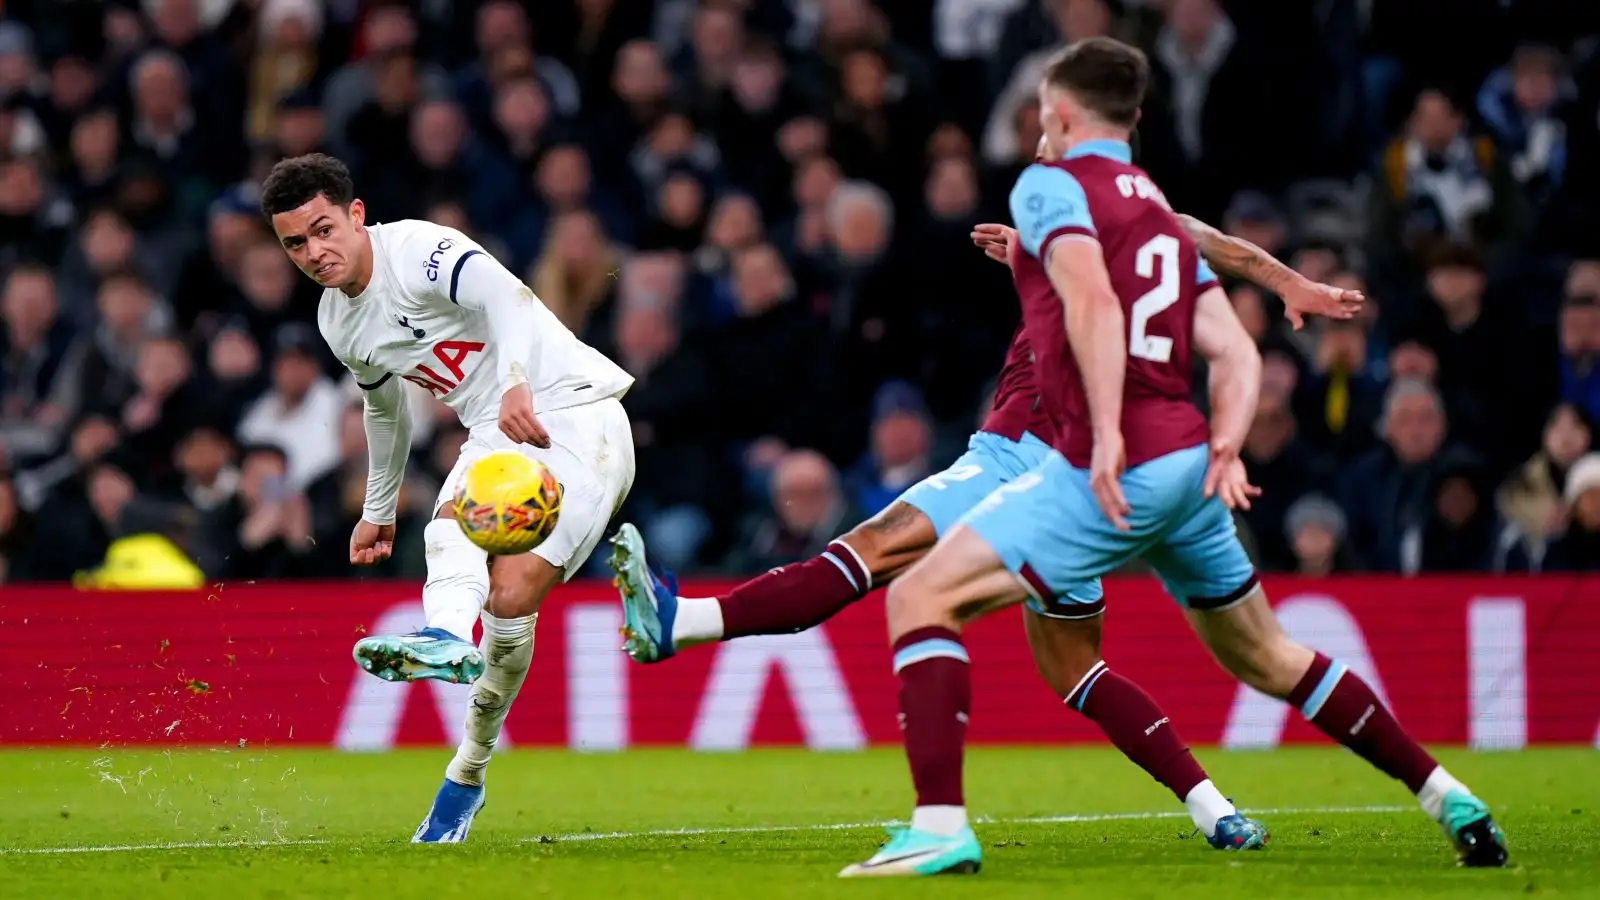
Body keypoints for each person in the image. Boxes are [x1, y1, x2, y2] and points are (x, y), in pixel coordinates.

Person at [837, 38, 1507, 877]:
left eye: (1045, 109)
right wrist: (1235, 418)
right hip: (1187, 465)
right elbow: (1234, 351)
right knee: (1270, 657)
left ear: (1065, 115)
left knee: (922, 596)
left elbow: (1087, 305)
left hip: (1103, 468)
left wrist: (1107, 431)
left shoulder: (1049, 190)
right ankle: (1448, 794)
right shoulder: (1150, 211)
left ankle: (939, 827)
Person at [608, 151, 1359, 850]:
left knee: (870, 552)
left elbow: (1191, 250)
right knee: (1078, 673)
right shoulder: (1142, 251)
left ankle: (685, 623)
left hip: (1015, 462)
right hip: (1078, 484)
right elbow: (1216, 245)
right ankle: (1215, 809)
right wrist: (1288, 282)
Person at [260, 153, 636, 843]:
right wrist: (379, 505)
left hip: (575, 412)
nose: (314, 252)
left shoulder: (422, 251)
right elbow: (385, 411)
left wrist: (517, 380)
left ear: (356, 214)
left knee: (506, 588)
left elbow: (508, 298)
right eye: (294, 243)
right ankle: (446, 652)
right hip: (497, 431)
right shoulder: (338, 323)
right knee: (466, 552)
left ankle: (468, 761)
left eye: (322, 230)